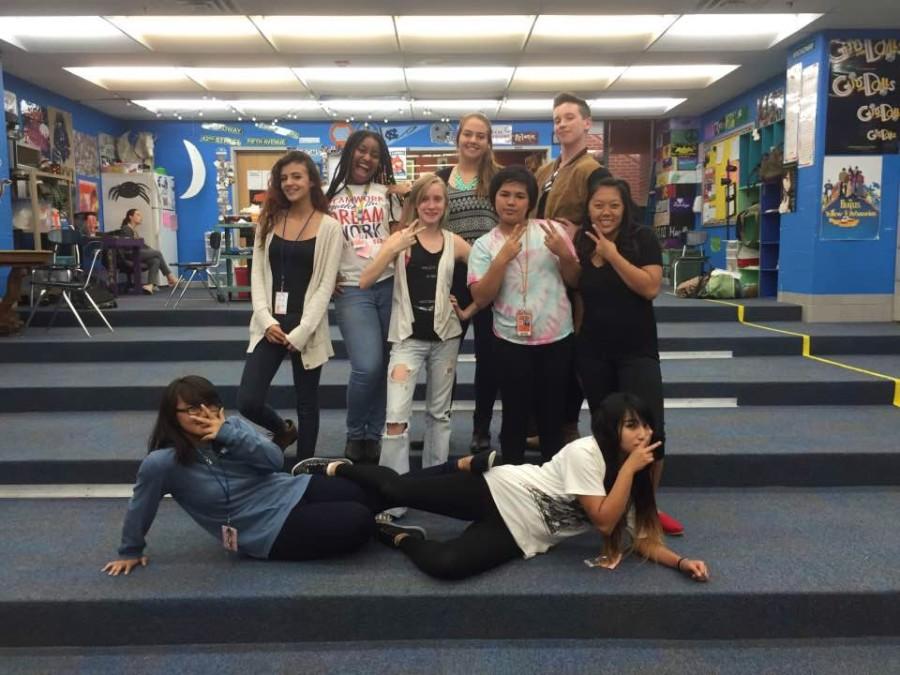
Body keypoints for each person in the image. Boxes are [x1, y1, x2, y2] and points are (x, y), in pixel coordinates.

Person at [295, 392, 710, 582]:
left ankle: (395, 535)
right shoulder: (588, 453)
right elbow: (604, 523)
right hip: (501, 489)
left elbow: (640, 536)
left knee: (448, 566)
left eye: (646, 425)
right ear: (610, 429)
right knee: (399, 490)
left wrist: (679, 562)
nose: (643, 433)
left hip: (523, 532)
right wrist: (631, 469)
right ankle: (340, 469)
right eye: (632, 425)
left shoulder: (631, 475)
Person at [101, 376, 378, 576]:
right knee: (359, 520)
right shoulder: (162, 463)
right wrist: (130, 550)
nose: (205, 414)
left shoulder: (231, 426)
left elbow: (274, 460)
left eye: (210, 404)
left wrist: (228, 435)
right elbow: (141, 505)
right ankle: (384, 531)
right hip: (264, 529)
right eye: (192, 409)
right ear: (173, 416)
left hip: (285, 490)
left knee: (358, 493)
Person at [572, 171, 684, 536]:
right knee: (607, 431)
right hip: (593, 351)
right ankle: (614, 503)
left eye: (614, 206)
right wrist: (564, 257)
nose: (606, 212)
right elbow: (576, 285)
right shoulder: (581, 239)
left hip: (636, 350)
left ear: (625, 207)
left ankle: (647, 511)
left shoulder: (643, 238)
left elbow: (650, 287)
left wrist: (613, 255)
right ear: (588, 207)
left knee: (649, 432)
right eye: (598, 205)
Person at [359, 174, 475, 504]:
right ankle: (393, 491)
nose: (431, 205)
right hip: (407, 339)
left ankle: (433, 488)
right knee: (395, 419)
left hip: (446, 337)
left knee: (440, 416)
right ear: (415, 204)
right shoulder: (400, 239)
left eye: (437, 199)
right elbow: (365, 280)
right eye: (424, 199)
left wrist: (470, 308)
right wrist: (389, 250)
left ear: (445, 204)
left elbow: (488, 270)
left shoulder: (456, 243)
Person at [468, 166, 579, 464]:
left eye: (520, 196)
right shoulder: (483, 245)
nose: (511, 202)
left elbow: (575, 280)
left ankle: (553, 488)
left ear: (530, 202)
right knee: (514, 416)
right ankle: (513, 485)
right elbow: (481, 297)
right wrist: (501, 260)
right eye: (505, 194)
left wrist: (565, 253)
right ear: (494, 199)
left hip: (556, 338)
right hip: (509, 340)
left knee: (551, 416)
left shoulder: (552, 231)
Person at [236, 151, 343, 459]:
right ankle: (283, 430)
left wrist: (303, 330)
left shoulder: (330, 227)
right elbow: (257, 272)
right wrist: (264, 319)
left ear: (311, 181)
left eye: (296, 176)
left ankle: (305, 465)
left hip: (307, 327)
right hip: (270, 323)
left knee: (307, 403)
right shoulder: (268, 221)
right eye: (283, 178)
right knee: (248, 400)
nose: (289, 183)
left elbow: (325, 285)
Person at [326, 130, 403, 464]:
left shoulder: (389, 194)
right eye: (362, 151)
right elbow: (320, 244)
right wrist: (325, 280)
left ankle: (374, 435)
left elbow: (402, 236)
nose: (367, 158)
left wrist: (407, 196)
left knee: (386, 365)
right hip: (353, 291)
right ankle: (356, 433)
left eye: (374, 153)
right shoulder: (329, 197)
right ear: (350, 153)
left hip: (390, 286)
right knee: (367, 365)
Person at [533, 93, 604, 446]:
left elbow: (605, 216)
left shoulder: (592, 170)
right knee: (545, 348)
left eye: (569, 118)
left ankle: (567, 424)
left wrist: (579, 230)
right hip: (541, 271)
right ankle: (544, 422)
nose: (561, 124)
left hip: (574, 271)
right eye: (557, 119)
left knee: (572, 349)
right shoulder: (547, 170)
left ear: (587, 123)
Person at [435, 113, 501, 452]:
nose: (473, 141)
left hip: (492, 276)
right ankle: (439, 423)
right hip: (453, 276)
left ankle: (481, 429)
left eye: (480, 136)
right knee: (446, 355)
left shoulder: (499, 178)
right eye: (467, 135)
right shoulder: (441, 178)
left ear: (488, 142)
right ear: (457, 138)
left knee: (489, 359)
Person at [119, 208, 177, 294]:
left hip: (137, 253)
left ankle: (150, 286)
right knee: (157, 253)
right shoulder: (126, 228)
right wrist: (151, 251)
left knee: (155, 260)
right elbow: (128, 246)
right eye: (138, 215)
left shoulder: (134, 230)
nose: (141, 217)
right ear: (130, 217)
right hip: (130, 254)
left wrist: (150, 250)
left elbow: (142, 245)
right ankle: (170, 276)